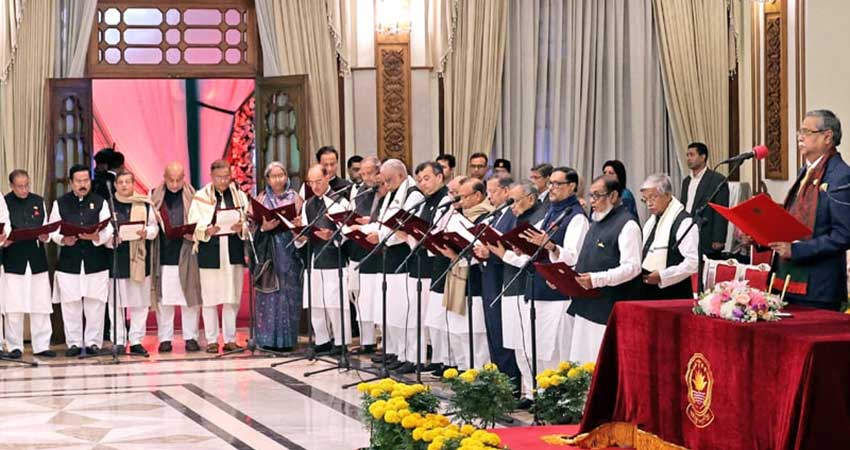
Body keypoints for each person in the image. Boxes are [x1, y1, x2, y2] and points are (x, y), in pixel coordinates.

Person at [509, 167, 589, 392]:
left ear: (572, 186)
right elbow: (538, 243)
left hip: (557, 294)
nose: (551, 188)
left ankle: (559, 400)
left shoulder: (576, 217)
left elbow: (573, 257)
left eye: (557, 184)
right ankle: (541, 396)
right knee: (535, 349)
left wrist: (551, 246)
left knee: (555, 352)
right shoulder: (553, 212)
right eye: (551, 183)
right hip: (537, 288)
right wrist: (524, 246)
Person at [766, 110, 850, 310]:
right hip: (785, 279)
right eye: (799, 132)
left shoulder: (840, 176)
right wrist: (759, 235)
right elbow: (791, 221)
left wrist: (796, 249)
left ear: (827, 137)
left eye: (806, 132)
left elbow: (844, 235)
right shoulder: (805, 171)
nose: (800, 137)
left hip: (818, 288)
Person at [355, 159, 423, 373]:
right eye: (383, 181)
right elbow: (385, 222)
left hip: (404, 258)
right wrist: (364, 230)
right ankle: (397, 352)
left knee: (405, 312)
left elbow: (406, 227)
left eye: (389, 180)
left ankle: (412, 356)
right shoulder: (392, 193)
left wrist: (381, 236)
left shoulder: (413, 194)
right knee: (391, 311)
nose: (386, 185)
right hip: (389, 257)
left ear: (401, 175)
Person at [569, 175, 642, 363]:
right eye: (590, 195)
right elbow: (586, 261)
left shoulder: (628, 225)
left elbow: (632, 267)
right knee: (580, 364)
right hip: (586, 305)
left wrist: (596, 279)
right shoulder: (596, 222)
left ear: (613, 196)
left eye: (597, 195)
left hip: (607, 308)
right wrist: (566, 278)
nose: (592, 201)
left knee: (600, 364)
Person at [49, 164, 114, 356]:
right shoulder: (60, 203)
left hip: (96, 262)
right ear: (71, 182)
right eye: (78, 181)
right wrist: (63, 239)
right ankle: (74, 343)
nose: (83, 184)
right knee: (71, 305)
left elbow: (109, 229)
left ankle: (94, 342)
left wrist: (97, 237)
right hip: (70, 262)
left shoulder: (100, 202)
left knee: (95, 305)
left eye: (86, 180)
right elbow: (53, 230)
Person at [188, 159, 249, 354]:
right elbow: (193, 223)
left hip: (232, 250)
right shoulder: (201, 197)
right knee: (210, 299)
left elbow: (248, 221)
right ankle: (212, 340)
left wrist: (242, 227)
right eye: (219, 177)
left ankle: (230, 339)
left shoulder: (239, 195)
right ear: (211, 177)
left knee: (232, 298)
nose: (223, 181)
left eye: (226, 176)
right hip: (210, 251)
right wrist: (206, 230)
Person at [435, 177, 492, 370]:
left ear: (478, 195)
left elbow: (483, 250)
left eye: (464, 196)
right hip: (458, 274)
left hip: (476, 279)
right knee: (459, 330)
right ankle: (464, 368)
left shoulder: (486, 216)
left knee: (475, 332)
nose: (460, 201)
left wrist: (457, 255)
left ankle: (479, 372)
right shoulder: (456, 216)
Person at [295, 164, 351, 354]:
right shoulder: (308, 204)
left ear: (327, 177)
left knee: (336, 304)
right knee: (316, 302)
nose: (315, 186)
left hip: (335, 258)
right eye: (311, 183)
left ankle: (341, 341)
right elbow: (304, 231)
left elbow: (348, 232)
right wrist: (300, 236)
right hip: (314, 257)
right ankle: (322, 339)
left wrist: (332, 235)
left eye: (318, 181)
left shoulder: (340, 202)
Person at [473, 174, 521, 395]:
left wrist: (490, 252)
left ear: (506, 191)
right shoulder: (495, 214)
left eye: (493, 192)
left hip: (503, 276)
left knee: (503, 329)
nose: (489, 196)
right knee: (493, 327)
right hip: (489, 275)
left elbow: (508, 246)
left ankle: (511, 382)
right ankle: (500, 377)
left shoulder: (512, 215)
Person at [1, 170, 55, 358]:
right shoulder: (5, 202)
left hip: (36, 258)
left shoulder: (38, 200)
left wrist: (46, 235)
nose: (24, 190)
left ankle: (42, 345)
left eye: (26, 185)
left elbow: (46, 225)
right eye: (20, 186)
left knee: (40, 304)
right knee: (13, 306)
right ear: (11, 186)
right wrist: (5, 240)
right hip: (13, 259)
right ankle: (15, 346)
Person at [151, 162, 203, 353]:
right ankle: (165, 338)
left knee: (189, 298)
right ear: (164, 178)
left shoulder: (195, 196)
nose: (174, 184)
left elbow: (202, 222)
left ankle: (191, 337)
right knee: (164, 300)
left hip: (187, 252)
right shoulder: (154, 197)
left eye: (178, 180)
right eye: (170, 180)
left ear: (184, 178)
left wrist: (194, 233)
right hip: (164, 253)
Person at [105, 171, 158, 356]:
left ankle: (136, 341)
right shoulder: (109, 204)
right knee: (117, 304)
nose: (124, 185)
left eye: (128, 182)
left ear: (133, 184)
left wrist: (146, 232)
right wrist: (111, 239)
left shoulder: (144, 204)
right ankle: (119, 341)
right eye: (120, 182)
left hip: (139, 259)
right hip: (117, 258)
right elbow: (104, 231)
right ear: (115, 185)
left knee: (140, 303)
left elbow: (154, 228)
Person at [253, 162, 304, 351]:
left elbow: (303, 223)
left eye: (281, 175)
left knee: (288, 295)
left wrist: (297, 224)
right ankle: (267, 339)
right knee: (269, 295)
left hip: (290, 252)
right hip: (269, 253)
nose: (278, 180)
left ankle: (287, 340)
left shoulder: (295, 198)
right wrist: (263, 228)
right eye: (273, 176)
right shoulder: (261, 199)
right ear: (267, 179)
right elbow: (251, 227)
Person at [409, 161, 452, 372]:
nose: (422, 183)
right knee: (429, 317)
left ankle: (443, 359)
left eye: (426, 178)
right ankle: (436, 357)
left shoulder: (446, 200)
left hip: (439, 263)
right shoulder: (424, 201)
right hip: (423, 262)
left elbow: (438, 231)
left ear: (440, 176)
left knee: (438, 316)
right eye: (419, 180)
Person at [424, 175, 467, 376]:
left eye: (457, 193)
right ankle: (442, 359)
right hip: (440, 265)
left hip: (458, 270)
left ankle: (456, 363)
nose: (453, 197)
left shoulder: (469, 215)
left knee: (454, 323)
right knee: (436, 320)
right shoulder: (447, 210)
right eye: (451, 192)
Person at [638, 174, 699, 300]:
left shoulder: (684, 222)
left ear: (667, 195)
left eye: (653, 197)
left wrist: (663, 276)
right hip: (650, 291)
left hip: (674, 293)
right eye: (645, 199)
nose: (649, 203)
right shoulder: (652, 221)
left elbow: (693, 262)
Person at [347, 156, 382, 354]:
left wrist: (370, 221)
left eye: (370, 173)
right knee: (361, 298)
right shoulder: (359, 190)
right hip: (359, 248)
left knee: (376, 299)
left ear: (379, 172)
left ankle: (382, 340)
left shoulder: (383, 190)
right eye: (363, 173)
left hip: (378, 250)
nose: (366, 177)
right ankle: (366, 340)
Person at [681, 142, 729, 260]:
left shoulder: (717, 180)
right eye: (687, 155)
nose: (688, 158)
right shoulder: (686, 181)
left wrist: (719, 238)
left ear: (703, 157)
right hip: (687, 233)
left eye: (692, 155)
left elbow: (721, 212)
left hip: (706, 234)